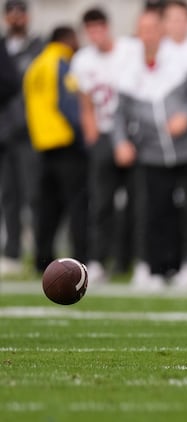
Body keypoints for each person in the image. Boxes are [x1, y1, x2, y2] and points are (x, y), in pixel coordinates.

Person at [113, 7, 187, 290]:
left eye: (154, 28)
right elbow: (119, 113)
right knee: (157, 212)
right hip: (153, 153)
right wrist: (121, 141)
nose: (148, 35)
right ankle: (161, 268)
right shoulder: (129, 69)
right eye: (143, 29)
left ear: (162, 30)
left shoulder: (184, 61)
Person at [70, 7, 139, 283]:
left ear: (108, 27)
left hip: (134, 135)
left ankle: (127, 260)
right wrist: (93, 137)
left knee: (135, 202)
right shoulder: (83, 60)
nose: (96, 34)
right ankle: (98, 259)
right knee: (101, 202)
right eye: (91, 29)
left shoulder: (129, 50)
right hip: (104, 134)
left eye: (100, 28)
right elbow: (85, 102)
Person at [23, 25, 87, 272]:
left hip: (42, 146)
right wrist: (83, 138)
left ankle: (42, 259)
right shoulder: (61, 63)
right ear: (67, 39)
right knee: (77, 205)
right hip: (66, 145)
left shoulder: (35, 65)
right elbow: (69, 104)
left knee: (47, 208)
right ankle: (81, 258)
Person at [0, 0, 43, 276]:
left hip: (32, 132)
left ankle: (41, 252)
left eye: (20, 12)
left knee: (34, 194)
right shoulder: (2, 48)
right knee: (9, 195)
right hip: (4, 133)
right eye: (11, 12)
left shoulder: (39, 47)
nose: (16, 17)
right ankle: (12, 251)